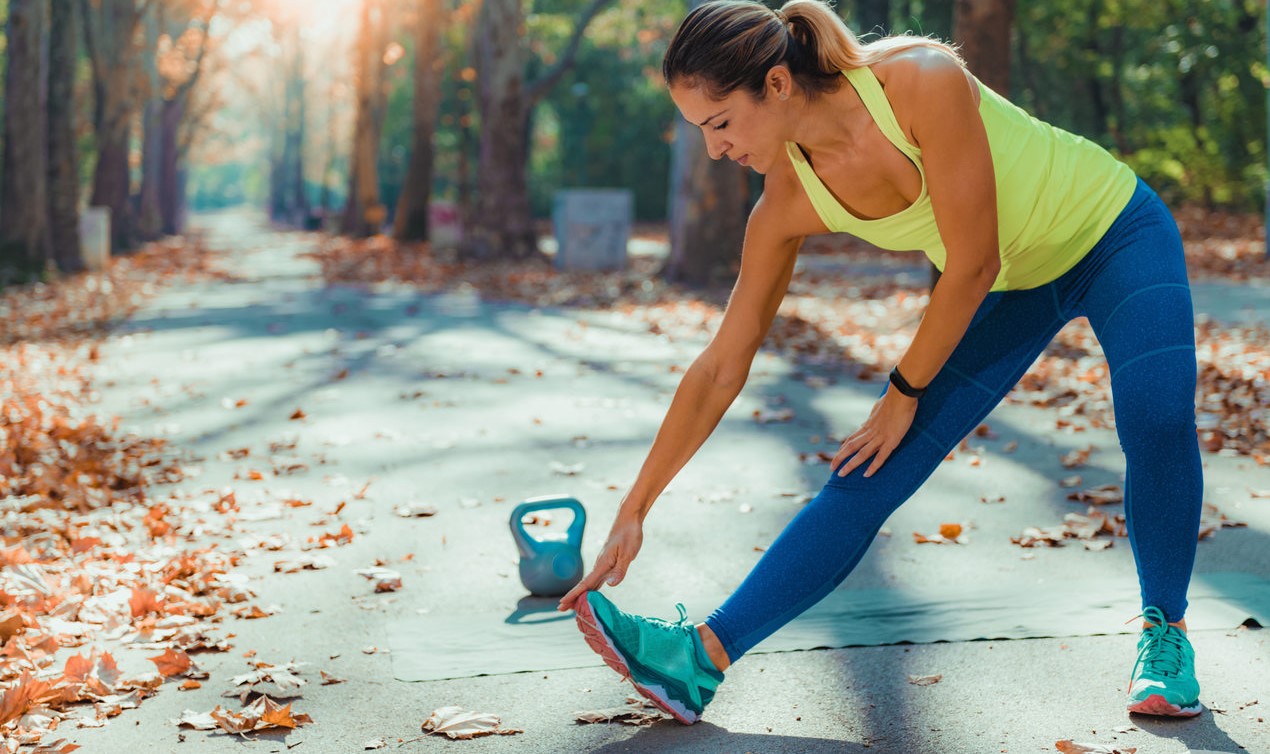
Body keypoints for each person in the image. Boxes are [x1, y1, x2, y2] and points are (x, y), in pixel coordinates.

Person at [557, 0, 1204, 725]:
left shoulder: (921, 81)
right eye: (701, 132)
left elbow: (972, 259)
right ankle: (699, 659)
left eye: (720, 123)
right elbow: (720, 365)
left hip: (1112, 231)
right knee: (870, 463)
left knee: (1156, 413)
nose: (715, 150)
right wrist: (635, 505)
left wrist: (902, 389)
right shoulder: (785, 202)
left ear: (774, 84)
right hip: (1014, 282)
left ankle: (1164, 634)